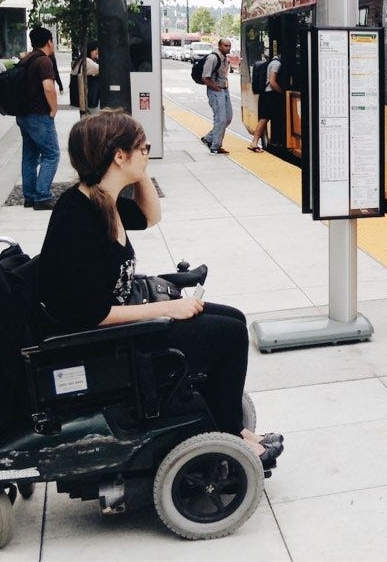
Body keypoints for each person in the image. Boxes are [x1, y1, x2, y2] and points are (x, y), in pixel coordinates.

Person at [36, 110, 283, 467]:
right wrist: (168, 308)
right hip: (106, 344)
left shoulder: (101, 200)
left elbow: (151, 216)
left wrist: (140, 173)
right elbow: (93, 314)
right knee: (228, 335)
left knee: (234, 318)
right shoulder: (78, 218)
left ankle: (223, 420)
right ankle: (230, 433)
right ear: (119, 156)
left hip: (120, 329)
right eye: (142, 148)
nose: (147, 152)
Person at [18, 27, 61, 210]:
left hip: (24, 114)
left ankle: (29, 196)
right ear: (49, 42)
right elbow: (48, 87)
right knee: (52, 154)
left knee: (30, 155)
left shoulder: (26, 59)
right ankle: (42, 195)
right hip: (39, 115)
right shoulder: (44, 61)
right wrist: (54, 109)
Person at [200, 38, 233, 155]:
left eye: (229, 46)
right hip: (216, 91)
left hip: (224, 90)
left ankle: (208, 138)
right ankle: (215, 146)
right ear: (219, 46)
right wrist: (217, 89)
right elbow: (205, 78)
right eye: (225, 45)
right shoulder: (213, 58)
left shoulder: (225, 58)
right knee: (221, 119)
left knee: (228, 118)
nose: (228, 48)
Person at [248, 52, 282, 152]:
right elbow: (272, 82)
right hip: (270, 95)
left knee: (265, 118)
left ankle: (257, 142)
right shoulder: (277, 64)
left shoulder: (272, 62)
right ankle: (254, 142)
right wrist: (282, 91)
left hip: (266, 94)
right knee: (264, 119)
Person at [70, 41, 101, 112]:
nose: (97, 52)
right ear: (90, 50)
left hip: (81, 100)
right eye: (96, 50)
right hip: (89, 98)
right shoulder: (87, 61)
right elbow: (103, 70)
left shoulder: (80, 60)